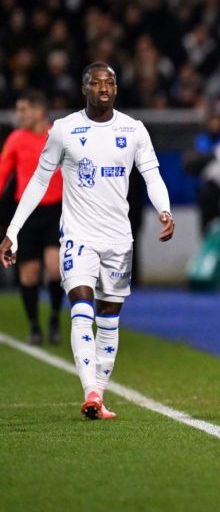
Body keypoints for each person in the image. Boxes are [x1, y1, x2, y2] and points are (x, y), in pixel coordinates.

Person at [0, 62, 175, 420]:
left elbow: (152, 175)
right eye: (96, 83)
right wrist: (12, 230)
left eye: (109, 82)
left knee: (109, 320)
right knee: (82, 306)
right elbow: (38, 181)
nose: (104, 87)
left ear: (116, 88)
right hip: (78, 236)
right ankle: (90, 391)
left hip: (118, 239)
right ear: (84, 89)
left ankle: (99, 395)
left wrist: (164, 210)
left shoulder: (133, 129)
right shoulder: (64, 130)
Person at [0, 90, 65, 345]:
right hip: (26, 213)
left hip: (56, 210)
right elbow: (3, 172)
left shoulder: (60, 136)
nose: (19, 115)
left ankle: (55, 319)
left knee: (55, 266)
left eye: (23, 109)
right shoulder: (16, 139)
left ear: (39, 111)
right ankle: (35, 325)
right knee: (29, 272)